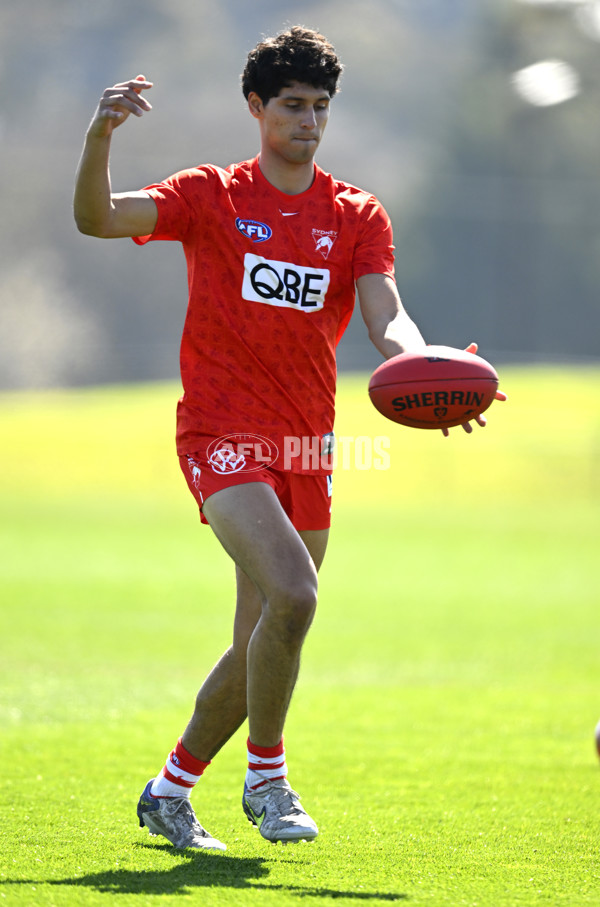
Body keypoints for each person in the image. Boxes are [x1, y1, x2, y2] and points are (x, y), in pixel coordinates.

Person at [74, 26, 505, 852]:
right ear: (256, 108)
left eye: (320, 108)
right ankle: (268, 780)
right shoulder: (212, 196)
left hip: (307, 446)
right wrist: (99, 139)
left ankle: (170, 789)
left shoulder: (354, 216)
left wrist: (433, 371)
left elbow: (388, 316)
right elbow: (97, 217)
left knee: (260, 643)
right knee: (297, 595)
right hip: (220, 433)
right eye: (293, 105)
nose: (308, 121)